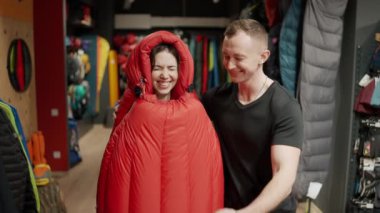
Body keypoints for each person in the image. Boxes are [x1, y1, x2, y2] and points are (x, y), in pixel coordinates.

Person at [96, 31, 224, 213]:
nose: (165, 75)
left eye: (171, 68)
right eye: (157, 68)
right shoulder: (134, 111)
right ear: (147, 70)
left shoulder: (194, 111)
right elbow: (116, 167)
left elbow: (206, 169)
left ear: (180, 71)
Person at [202, 19, 303, 213]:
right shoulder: (215, 99)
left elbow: (284, 177)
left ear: (263, 57)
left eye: (238, 58)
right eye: (225, 56)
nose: (229, 65)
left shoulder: (284, 107)